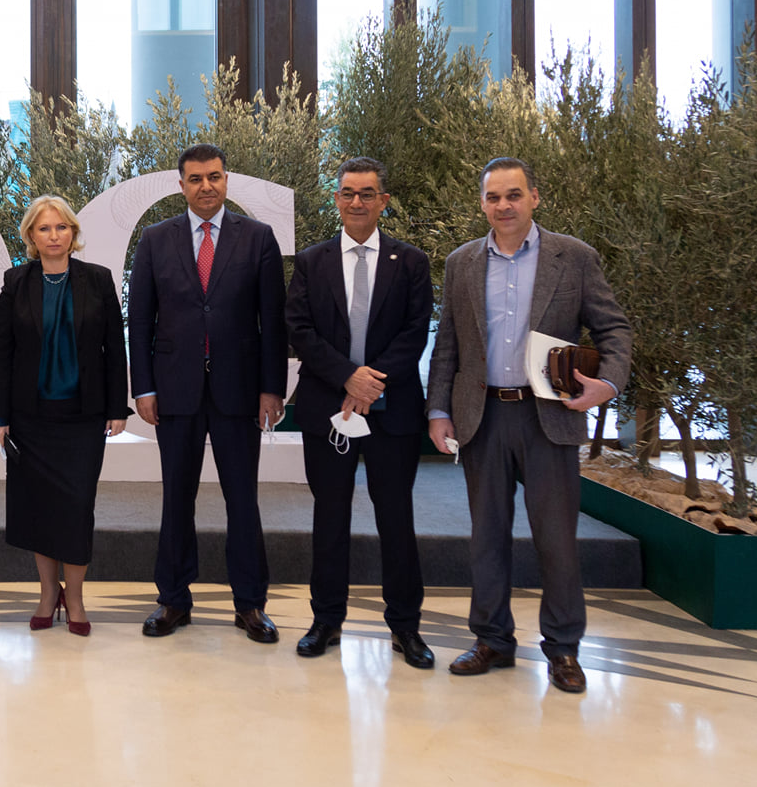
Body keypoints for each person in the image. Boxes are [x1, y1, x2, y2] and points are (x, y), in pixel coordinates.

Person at [427, 156, 631, 694]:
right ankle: (492, 639)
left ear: (534, 198)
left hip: (549, 418)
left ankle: (563, 649)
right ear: (482, 203)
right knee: (487, 537)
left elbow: (614, 330)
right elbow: (447, 343)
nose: (504, 206)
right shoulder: (462, 263)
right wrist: (439, 410)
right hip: (483, 417)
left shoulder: (574, 257)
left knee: (557, 540)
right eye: (494, 197)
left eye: (514, 195)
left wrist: (607, 385)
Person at [128, 143, 288, 643]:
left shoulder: (258, 238)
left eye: (214, 176)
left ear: (226, 180)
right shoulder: (155, 240)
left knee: (243, 499)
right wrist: (143, 387)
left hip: (240, 391)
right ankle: (173, 599)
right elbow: (140, 321)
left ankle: (251, 604)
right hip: (174, 390)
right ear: (181, 185)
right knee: (177, 498)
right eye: (195, 179)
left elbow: (273, 322)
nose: (206, 186)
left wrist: (272, 388)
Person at [284, 157, 435, 668]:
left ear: (383, 201)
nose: (356, 202)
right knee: (330, 516)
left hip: (394, 412)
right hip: (327, 406)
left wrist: (370, 384)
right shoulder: (313, 261)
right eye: (348, 193)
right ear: (336, 200)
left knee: (396, 516)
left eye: (367, 193)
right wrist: (348, 377)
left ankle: (406, 626)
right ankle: (326, 620)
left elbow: (415, 331)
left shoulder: (410, 262)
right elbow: (300, 329)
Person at [0, 196, 129, 636]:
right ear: (31, 235)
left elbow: (113, 347)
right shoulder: (16, 281)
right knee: (39, 509)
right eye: (44, 228)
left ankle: (77, 597)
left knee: (77, 508)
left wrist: (117, 406)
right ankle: (49, 594)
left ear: (73, 233)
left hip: (83, 418)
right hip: (30, 420)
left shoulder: (98, 279)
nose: (54, 236)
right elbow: (2, 352)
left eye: (61, 227)